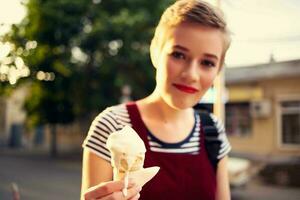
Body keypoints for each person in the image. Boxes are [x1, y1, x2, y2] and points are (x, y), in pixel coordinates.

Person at [81, 0, 232, 199]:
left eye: (207, 62)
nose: (191, 74)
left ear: (218, 70)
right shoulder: (112, 125)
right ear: (155, 52)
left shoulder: (213, 131)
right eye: (178, 55)